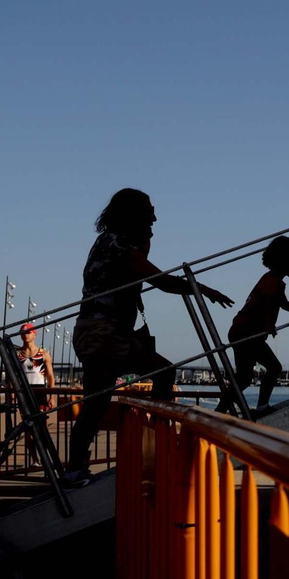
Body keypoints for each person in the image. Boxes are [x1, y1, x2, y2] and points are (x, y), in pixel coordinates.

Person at [66, 188, 233, 484]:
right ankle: (154, 449)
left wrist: (146, 241)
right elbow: (162, 281)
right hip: (104, 333)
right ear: (133, 215)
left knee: (98, 402)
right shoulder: (118, 245)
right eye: (149, 211)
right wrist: (202, 289)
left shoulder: (109, 242)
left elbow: (141, 271)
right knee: (160, 375)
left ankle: (76, 469)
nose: (155, 217)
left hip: (100, 331)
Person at [218, 236, 289, 416]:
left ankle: (220, 410)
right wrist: (270, 324)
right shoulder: (273, 282)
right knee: (274, 368)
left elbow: (281, 303)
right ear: (286, 261)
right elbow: (270, 303)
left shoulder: (271, 279)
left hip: (240, 331)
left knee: (244, 377)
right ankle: (262, 407)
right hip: (247, 333)